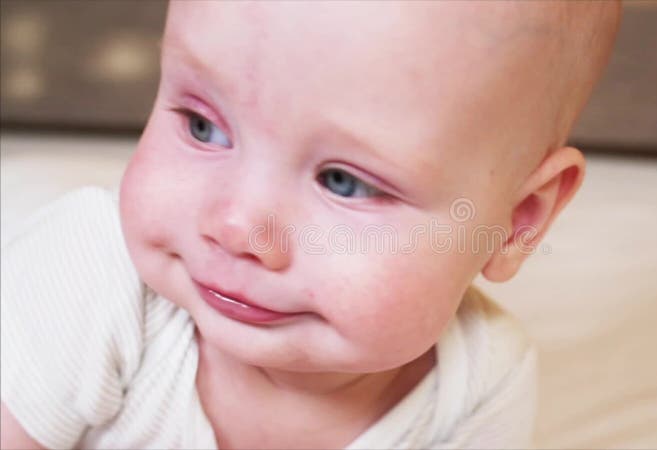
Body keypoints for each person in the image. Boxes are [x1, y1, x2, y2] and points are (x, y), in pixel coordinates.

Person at [0, 1, 620, 448]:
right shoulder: (90, 274)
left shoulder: (477, 384)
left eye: (344, 181)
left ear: (515, 222)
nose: (238, 228)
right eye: (202, 126)